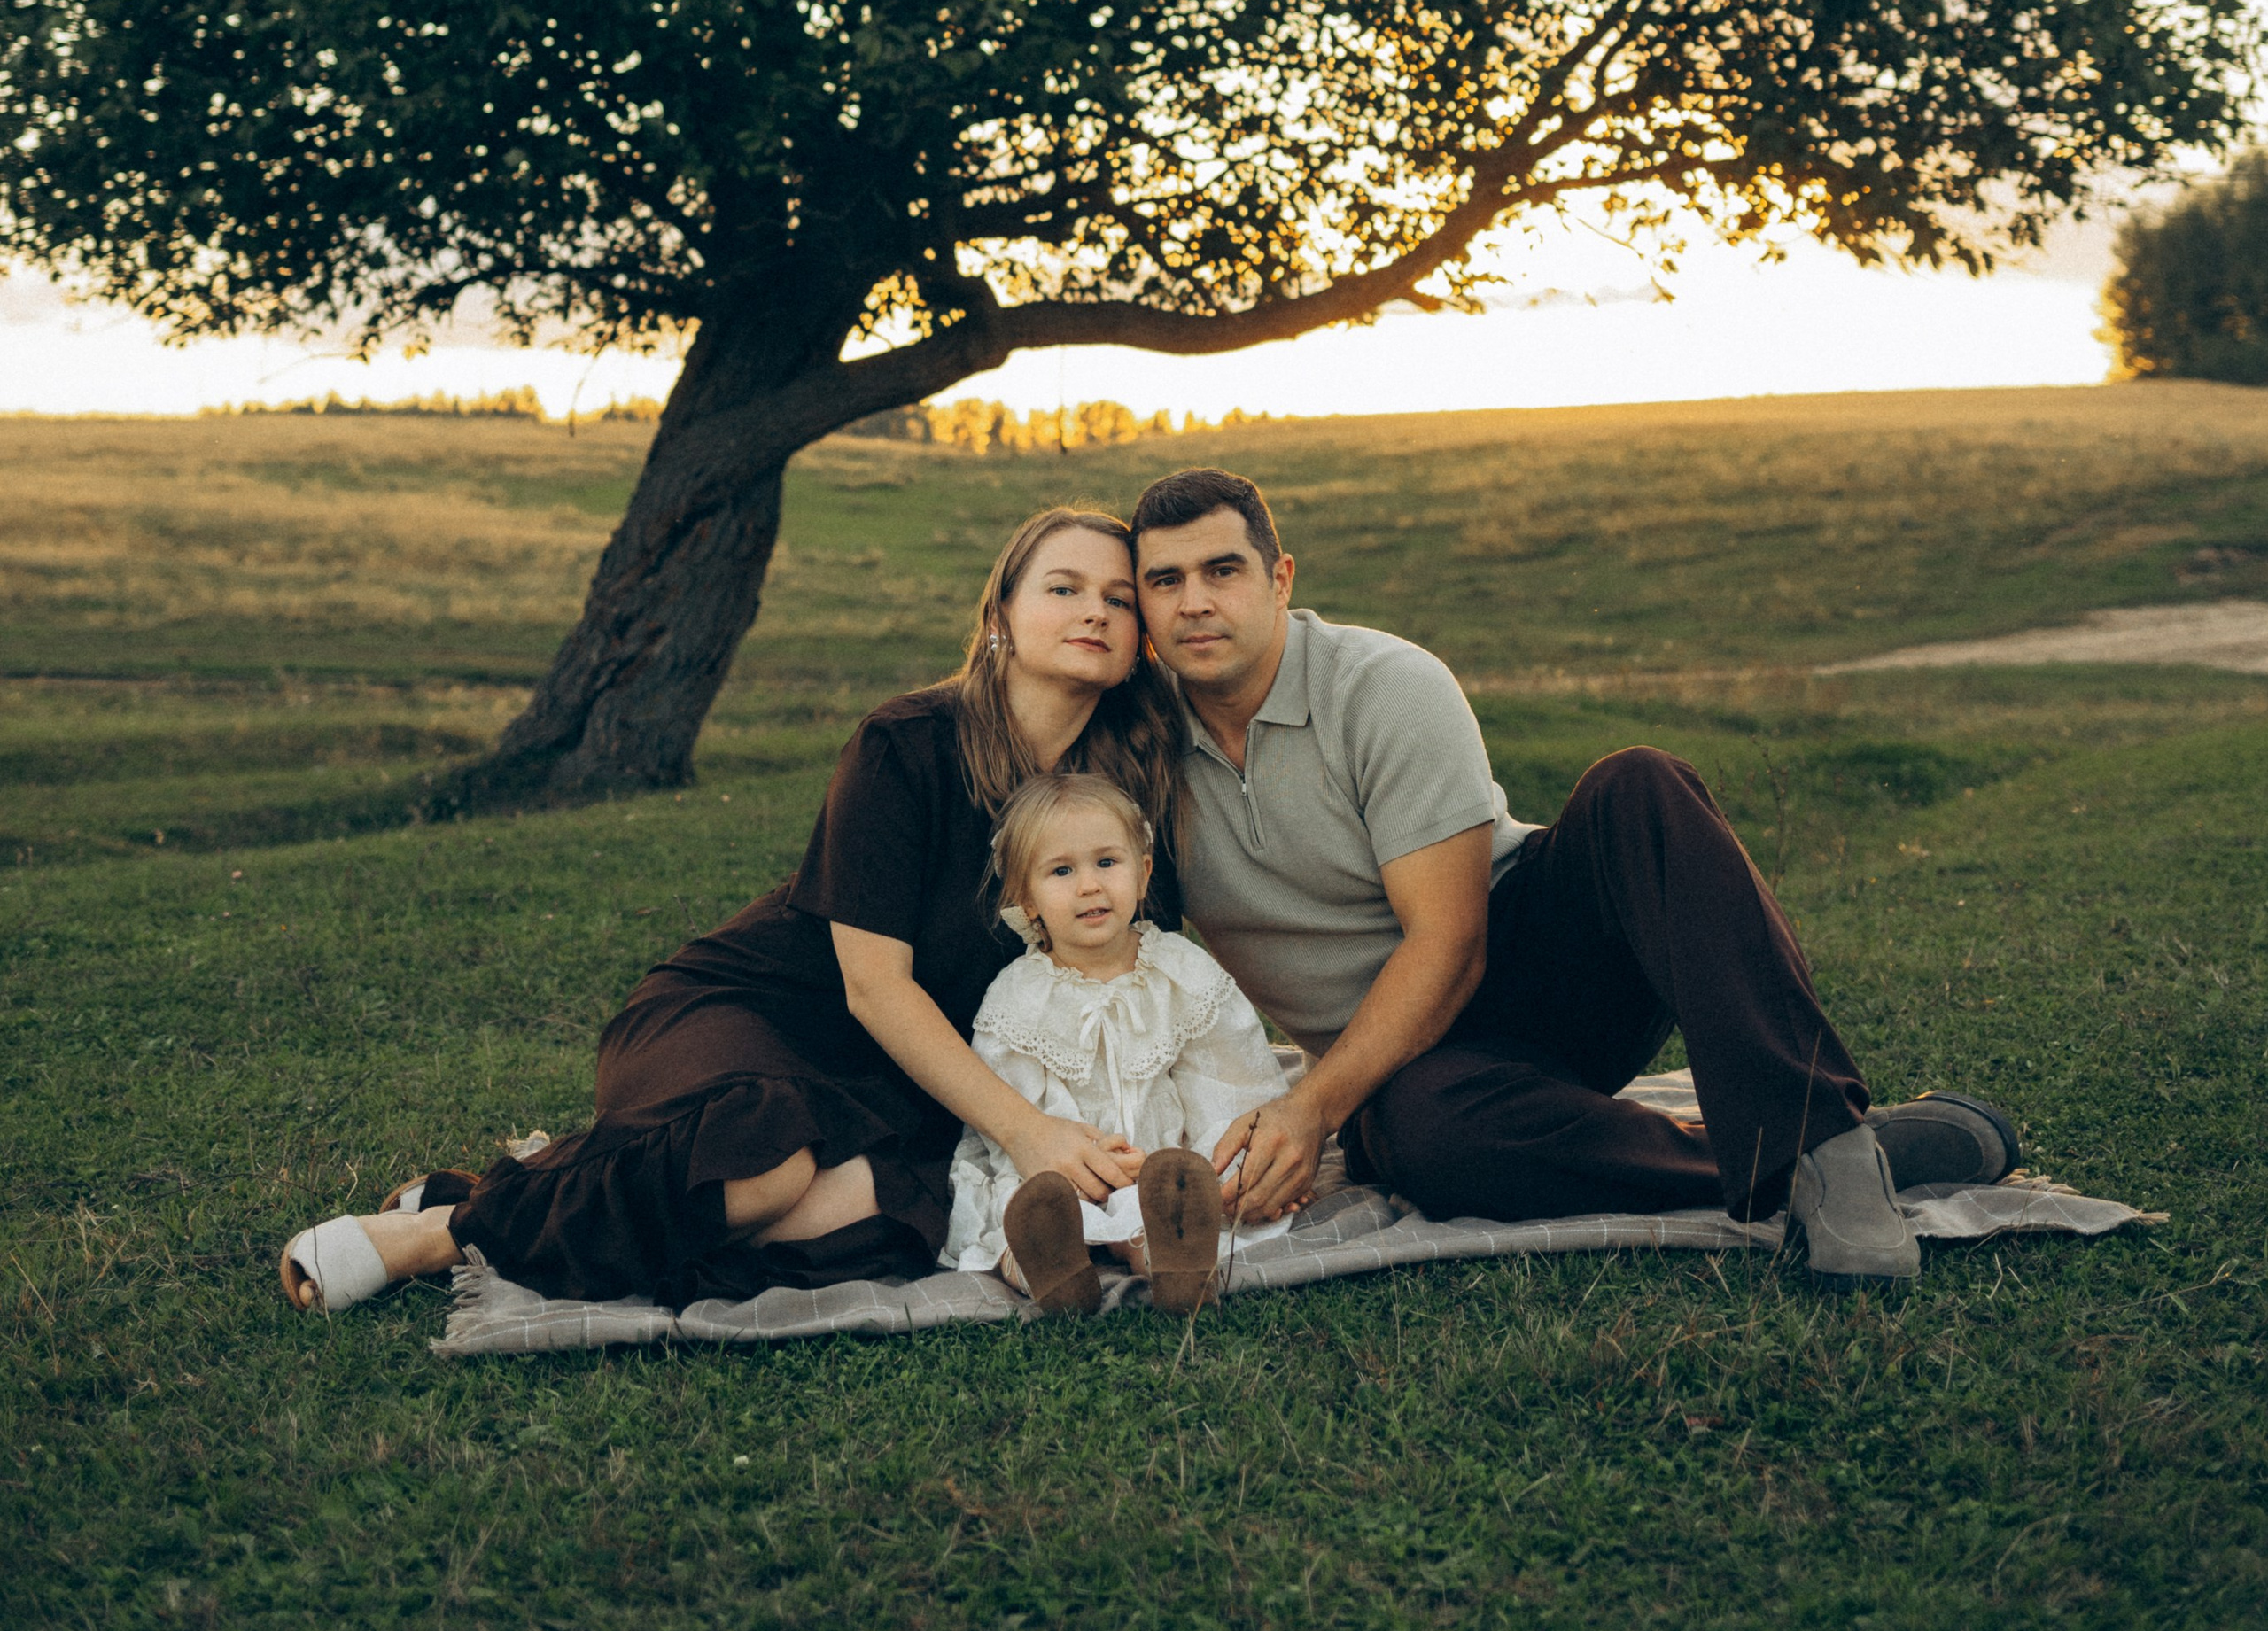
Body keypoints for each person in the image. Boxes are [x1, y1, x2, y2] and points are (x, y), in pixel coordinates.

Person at [1130, 467, 2022, 1290]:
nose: (1195, 602)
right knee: (1424, 1144)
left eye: (1222, 571)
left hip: (1535, 959)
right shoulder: (1138, 752)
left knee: (1639, 785)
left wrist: (1311, 1109)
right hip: (1406, 1067)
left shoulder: (1382, 686)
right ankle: (1812, 1157)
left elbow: (1451, 943)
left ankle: (1820, 1136)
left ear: (1280, 579)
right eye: (1165, 581)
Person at [278, 509, 1184, 1314]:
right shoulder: (905, 744)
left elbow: (1146, 961)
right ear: (1000, 615)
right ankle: (443, 1233)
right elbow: (874, 989)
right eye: (1064, 588)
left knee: (840, 1218)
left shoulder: (1131, 779)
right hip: (763, 1012)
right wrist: (1025, 1130)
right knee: (763, 1170)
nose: (1096, 611)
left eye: (1119, 599)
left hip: (912, 1081)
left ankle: (542, 1184)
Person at [941, 768, 1291, 1316]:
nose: (1089, 885)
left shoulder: (1179, 971)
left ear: (1143, 873)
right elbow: (1013, 1109)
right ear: (1026, 899)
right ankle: (1046, 1268)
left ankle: (1167, 1261)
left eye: (1107, 862)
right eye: (1061, 871)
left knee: (1158, 1205)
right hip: (1058, 1172)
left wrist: (1233, 1162)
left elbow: (1223, 1073)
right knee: (1019, 1208)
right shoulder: (1018, 996)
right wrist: (1086, 1163)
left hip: (1160, 1166)